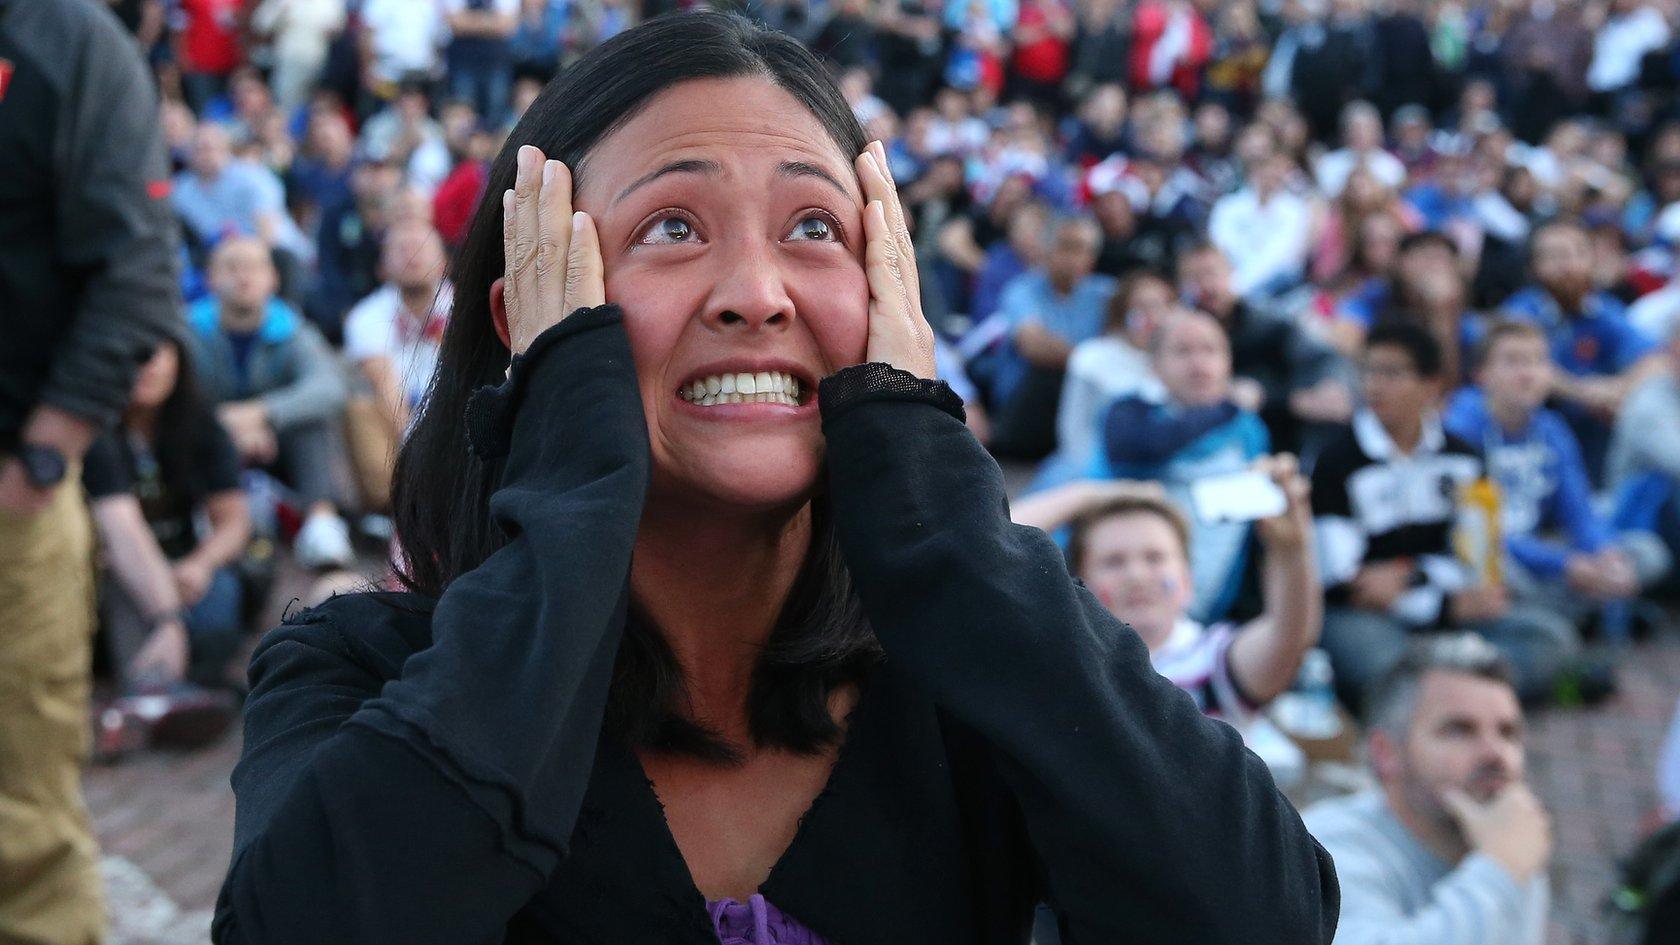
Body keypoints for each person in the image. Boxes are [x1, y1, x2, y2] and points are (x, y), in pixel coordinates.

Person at [214, 13, 1337, 942]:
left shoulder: (988, 667)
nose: (757, 291)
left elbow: (1261, 917)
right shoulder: (354, 675)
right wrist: (571, 490)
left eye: (813, 226)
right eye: (671, 226)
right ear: (534, 317)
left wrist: (930, 495)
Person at [0, 0, 183, 937]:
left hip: (11, 500)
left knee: (18, 826)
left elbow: (138, 271)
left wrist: (41, 458)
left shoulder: (66, 41)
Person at [1311, 322, 1579, 708]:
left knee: (1550, 638)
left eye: (1392, 373)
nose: (1374, 385)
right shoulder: (1336, 461)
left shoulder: (1463, 458)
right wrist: (1442, 602)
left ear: (1431, 386)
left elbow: (1474, 560)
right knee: (1376, 661)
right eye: (1368, 371)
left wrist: (1412, 576)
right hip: (1367, 619)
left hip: (1446, 607)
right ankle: (1467, 693)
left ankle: (1435, 700)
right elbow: (1348, 581)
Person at [1013, 459, 1321, 737]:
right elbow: (986, 554)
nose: (1136, 575)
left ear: (1188, 580)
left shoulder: (1214, 661)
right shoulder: (1060, 658)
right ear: (1078, 582)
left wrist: (1291, 550)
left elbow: (1288, 634)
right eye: (1113, 562)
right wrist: (1084, 495)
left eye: (1155, 558)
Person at [1304, 634, 1550, 945]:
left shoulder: (1512, 837)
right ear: (1386, 753)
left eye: (1508, 733)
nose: (1495, 753)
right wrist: (1499, 870)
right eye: (1459, 730)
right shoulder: (1327, 851)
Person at [1444, 320, 1669, 626]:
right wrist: (1564, 564)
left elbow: (1579, 511)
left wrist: (1605, 555)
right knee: (1498, 570)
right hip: (1496, 553)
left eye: (1538, 361)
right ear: (1481, 375)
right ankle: (1573, 612)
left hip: (1546, 553)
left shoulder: (1552, 429)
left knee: (1646, 552)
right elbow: (1476, 530)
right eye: (1513, 362)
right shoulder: (1460, 429)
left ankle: (1565, 610)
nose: (1528, 374)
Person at [83, 340, 247, 750]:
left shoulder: (199, 420)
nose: (147, 366)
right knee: (126, 587)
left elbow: (234, 521)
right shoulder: (92, 426)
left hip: (182, 564)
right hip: (109, 569)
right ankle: (152, 691)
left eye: (157, 352)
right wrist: (165, 611)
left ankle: (163, 692)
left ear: (179, 359)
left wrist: (200, 563)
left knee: (220, 595)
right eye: (133, 355)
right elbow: (122, 536)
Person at [186, 236, 356, 570]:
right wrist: (227, 426)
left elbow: (330, 387)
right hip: (211, 443)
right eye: (231, 267)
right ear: (211, 279)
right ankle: (204, 517)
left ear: (272, 278)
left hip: (278, 445)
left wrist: (263, 414)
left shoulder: (293, 330)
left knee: (315, 420)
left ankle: (322, 525)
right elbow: (173, 396)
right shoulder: (187, 331)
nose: (243, 276)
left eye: (253, 267)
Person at [1093, 309, 1270, 621]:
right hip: (1119, 601)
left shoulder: (1249, 431)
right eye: (1183, 351)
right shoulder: (1128, 414)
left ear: (1228, 361)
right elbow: (1140, 448)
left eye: (1210, 350)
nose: (1199, 364)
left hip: (1207, 608)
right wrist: (1226, 407)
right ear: (1155, 365)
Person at [1498, 219, 1665, 482]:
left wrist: (1619, 388)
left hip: (1600, 440)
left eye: (1577, 253)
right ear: (1533, 267)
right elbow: (1522, 366)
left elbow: (1656, 359)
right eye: (1555, 256)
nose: (1568, 265)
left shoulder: (1603, 309)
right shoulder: (1521, 312)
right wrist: (1583, 392)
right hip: (1537, 444)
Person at [1177, 241, 1352, 455]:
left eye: (1211, 273)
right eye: (1195, 277)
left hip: (1276, 431)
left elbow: (1322, 359)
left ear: (1231, 272)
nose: (1206, 285)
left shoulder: (1268, 323)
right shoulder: (1178, 332)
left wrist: (1326, 388)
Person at [986, 215, 1117, 458]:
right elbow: (1034, 347)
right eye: (1069, 247)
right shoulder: (1022, 289)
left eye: (1087, 250)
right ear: (1047, 249)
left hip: (1082, 403)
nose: (1078, 258)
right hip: (1025, 409)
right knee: (1050, 374)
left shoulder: (1105, 293)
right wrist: (1095, 360)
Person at [342, 221, 452, 510]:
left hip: (452, 415)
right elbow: (384, 384)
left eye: (419, 248)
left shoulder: (464, 306)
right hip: (397, 421)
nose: (410, 256)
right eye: (400, 250)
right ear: (382, 267)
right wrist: (418, 448)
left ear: (444, 262)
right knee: (359, 408)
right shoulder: (365, 316)